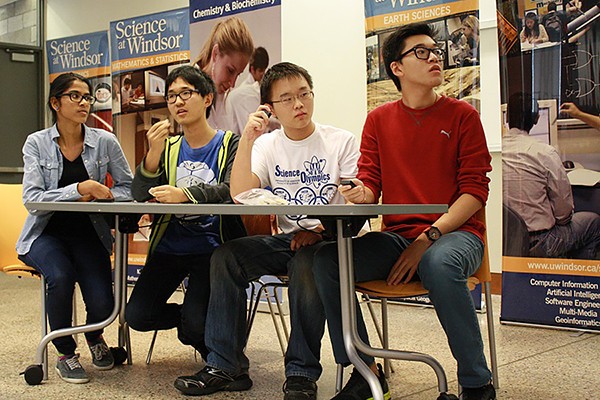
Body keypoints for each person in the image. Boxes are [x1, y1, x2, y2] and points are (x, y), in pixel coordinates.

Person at [313, 22, 496, 400]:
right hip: (398, 236)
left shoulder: (463, 116)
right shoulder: (379, 120)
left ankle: (477, 384)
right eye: (422, 51)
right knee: (326, 262)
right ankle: (365, 370)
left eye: (436, 50)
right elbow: (370, 184)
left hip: (457, 234)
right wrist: (359, 192)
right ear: (396, 68)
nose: (435, 57)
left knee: (438, 264)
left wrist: (429, 238)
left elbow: (475, 192)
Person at [173, 62, 360, 400]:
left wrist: (320, 232)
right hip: (288, 239)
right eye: (286, 99)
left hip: (331, 241)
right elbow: (241, 193)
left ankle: (301, 373)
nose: (299, 104)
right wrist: (247, 137)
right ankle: (225, 365)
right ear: (270, 108)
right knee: (226, 257)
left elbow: (356, 206)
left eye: (304, 94)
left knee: (307, 262)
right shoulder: (268, 143)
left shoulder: (340, 141)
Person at [16, 72, 133, 384]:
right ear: (56, 102)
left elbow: (128, 187)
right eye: (75, 96)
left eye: (87, 97)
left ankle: (95, 337)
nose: (84, 102)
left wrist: (106, 194)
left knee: (102, 303)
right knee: (60, 276)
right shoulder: (37, 143)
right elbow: (33, 199)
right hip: (45, 234)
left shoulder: (105, 141)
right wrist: (79, 188)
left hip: (89, 234)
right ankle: (66, 353)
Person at [125, 66, 246, 359]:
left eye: (186, 93)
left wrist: (185, 195)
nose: (178, 102)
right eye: (171, 96)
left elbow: (232, 192)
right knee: (137, 316)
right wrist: (153, 153)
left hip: (212, 249)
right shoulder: (168, 147)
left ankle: (210, 339)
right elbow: (140, 194)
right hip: (169, 247)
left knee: (194, 325)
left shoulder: (231, 143)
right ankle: (199, 321)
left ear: (206, 98)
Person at [503, 92, 600, 259]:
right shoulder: (545, 153)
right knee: (592, 222)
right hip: (539, 243)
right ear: (536, 118)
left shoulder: (493, 153)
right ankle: (571, 281)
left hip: (504, 243)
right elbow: (563, 214)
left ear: (507, 118)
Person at [193, 16, 254, 131]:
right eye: (230, 70)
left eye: (238, 75)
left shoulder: (223, 98)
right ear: (215, 54)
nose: (233, 84)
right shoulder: (186, 92)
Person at [227, 46, 278, 135]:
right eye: (260, 70)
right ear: (252, 69)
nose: (263, 74)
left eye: (264, 70)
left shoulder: (257, 89)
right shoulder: (244, 94)